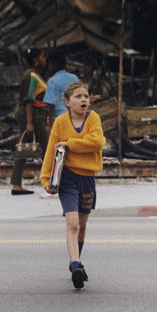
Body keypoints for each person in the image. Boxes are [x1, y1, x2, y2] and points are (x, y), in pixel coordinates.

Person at [40, 82, 105, 289]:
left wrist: (70, 144)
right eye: (78, 97)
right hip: (68, 178)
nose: (83, 100)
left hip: (87, 178)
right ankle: (75, 265)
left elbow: (97, 142)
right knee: (73, 223)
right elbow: (51, 150)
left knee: (83, 225)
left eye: (86, 96)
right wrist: (45, 180)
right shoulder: (60, 122)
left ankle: (76, 260)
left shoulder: (93, 118)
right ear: (67, 102)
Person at [10, 48, 49, 195]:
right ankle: (52, 181)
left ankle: (16, 184)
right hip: (32, 115)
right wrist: (29, 122)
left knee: (24, 149)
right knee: (47, 148)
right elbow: (29, 100)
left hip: (33, 115)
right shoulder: (31, 76)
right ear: (36, 59)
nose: (45, 59)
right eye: (42, 56)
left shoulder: (34, 75)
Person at [43, 49, 79, 126]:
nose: (48, 67)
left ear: (55, 64)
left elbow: (51, 106)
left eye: (49, 64)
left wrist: (50, 125)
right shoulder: (74, 78)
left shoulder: (52, 81)